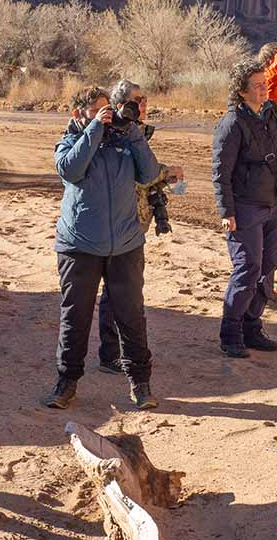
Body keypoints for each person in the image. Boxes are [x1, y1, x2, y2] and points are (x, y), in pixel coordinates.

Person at [44, 85, 163, 411]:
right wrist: (95, 128)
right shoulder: (69, 142)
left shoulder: (124, 141)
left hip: (124, 245)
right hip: (78, 246)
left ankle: (140, 384)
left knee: (132, 317)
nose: (106, 115)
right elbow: (70, 169)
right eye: (97, 110)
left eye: (107, 109)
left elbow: (151, 174)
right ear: (77, 114)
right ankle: (66, 383)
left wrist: (135, 133)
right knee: (76, 317)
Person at [212, 61, 277, 358]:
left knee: (267, 268)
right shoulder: (231, 124)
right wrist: (227, 212)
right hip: (246, 208)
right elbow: (220, 172)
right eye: (257, 85)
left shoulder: (272, 112)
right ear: (241, 92)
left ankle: (252, 326)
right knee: (247, 268)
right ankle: (231, 332)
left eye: (265, 83)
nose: (264, 88)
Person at [94, 79, 183, 374]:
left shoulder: (137, 132)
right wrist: (164, 173)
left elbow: (144, 170)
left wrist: (163, 176)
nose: (142, 105)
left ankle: (119, 351)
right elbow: (134, 175)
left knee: (126, 290)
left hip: (135, 223)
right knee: (115, 291)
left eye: (144, 100)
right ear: (120, 106)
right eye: (137, 100)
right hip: (119, 222)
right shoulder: (114, 133)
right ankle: (110, 353)